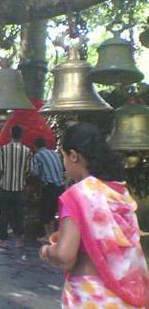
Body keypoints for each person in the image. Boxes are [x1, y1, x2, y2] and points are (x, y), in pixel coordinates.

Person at [39, 122, 148, 308]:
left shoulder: (77, 196)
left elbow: (65, 255)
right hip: (125, 297)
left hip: (90, 297)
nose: (64, 164)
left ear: (74, 156)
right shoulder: (119, 192)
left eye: (63, 156)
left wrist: (47, 252)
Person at [0, 125, 32, 249]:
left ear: (11, 134)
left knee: (4, 214)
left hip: (5, 187)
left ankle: (2, 240)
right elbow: (28, 171)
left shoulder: (3, 150)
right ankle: (19, 240)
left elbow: (0, 169)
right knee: (19, 214)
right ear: (21, 135)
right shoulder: (27, 151)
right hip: (20, 188)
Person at [31, 137, 65, 242]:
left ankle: (47, 235)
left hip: (49, 186)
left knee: (45, 211)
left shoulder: (37, 156)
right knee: (53, 211)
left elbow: (34, 173)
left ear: (35, 146)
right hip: (60, 186)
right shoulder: (54, 153)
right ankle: (53, 235)